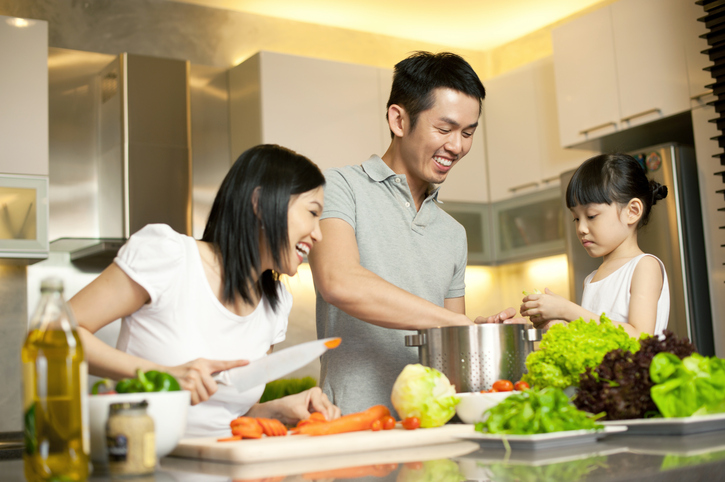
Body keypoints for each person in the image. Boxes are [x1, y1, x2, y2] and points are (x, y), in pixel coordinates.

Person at [71, 144, 341, 438]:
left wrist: (277, 409)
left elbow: (221, 415)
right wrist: (163, 374)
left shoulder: (275, 308)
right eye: (312, 213)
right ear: (261, 204)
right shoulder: (168, 257)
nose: (319, 233)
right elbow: (50, 333)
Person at [308, 51, 518, 416]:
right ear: (399, 120)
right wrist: (455, 321)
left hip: (431, 427)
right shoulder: (339, 187)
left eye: (468, 133)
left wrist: (475, 332)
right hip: (350, 424)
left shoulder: (454, 233)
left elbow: (449, 343)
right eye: (444, 129)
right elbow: (338, 280)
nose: (457, 146)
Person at [520, 153, 670, 337]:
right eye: (576, 218)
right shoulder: (591, 279)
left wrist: (566, 310)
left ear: (632, 211)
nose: (581, 228)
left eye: (591, 216)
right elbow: (595, 336)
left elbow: (639, 336)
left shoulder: (644, 266)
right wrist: (556, 323)